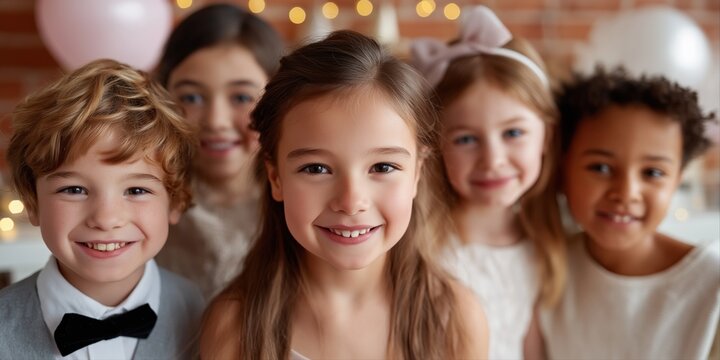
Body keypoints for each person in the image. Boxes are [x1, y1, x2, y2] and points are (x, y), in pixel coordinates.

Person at [200, 30, 489, 359]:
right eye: (317, 169)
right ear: (275, 177)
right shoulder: (234, 327)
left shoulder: (454, 319)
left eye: (382, 167)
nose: (351, 202)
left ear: (417, 173)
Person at [0, 59, 204, 359]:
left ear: (175, 202)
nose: (106, 219)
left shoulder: (202, 313)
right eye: (74, 190)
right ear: (33, 202)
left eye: (136, 190)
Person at [411, 6, 565, 359]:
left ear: (546, 136)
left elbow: (531, 343)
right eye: (466, 139)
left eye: (513, 133)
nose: (492, 160)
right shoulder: (424, 245)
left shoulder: (542, 239)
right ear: (435, 146)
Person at [540, 67, 720, 359]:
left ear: (677, 180)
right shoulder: (547, 266)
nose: (625, 192)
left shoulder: (711, 287)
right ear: (563, 170)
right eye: (600, 167)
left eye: (652, 172)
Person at [154, 3, 285, 298]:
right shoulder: (147, 205)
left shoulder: (298, 207)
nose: (215, 121)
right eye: (191, 97)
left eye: (241, 97)